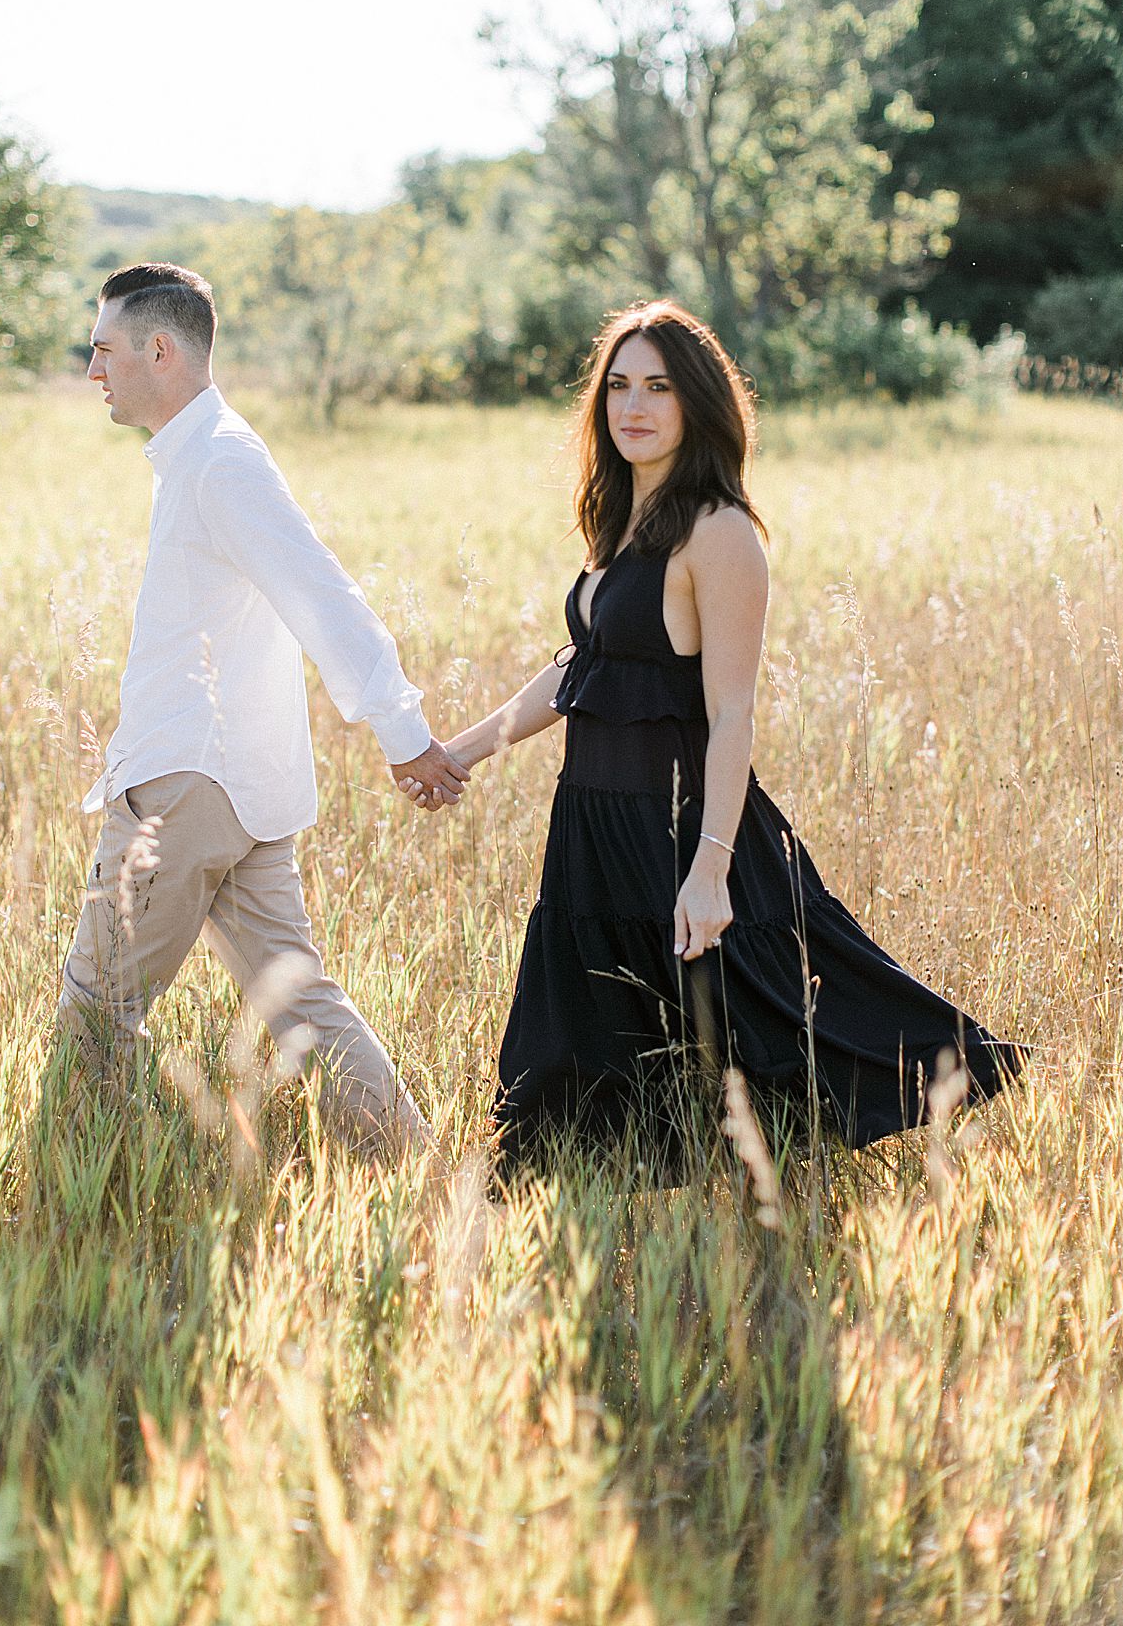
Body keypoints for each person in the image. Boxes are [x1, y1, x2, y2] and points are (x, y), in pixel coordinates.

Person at [403, 300, 1023, 1174]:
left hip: (677, 827)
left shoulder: (719, 532)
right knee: (589, 1034)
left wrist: (709, 867)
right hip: (592, 822)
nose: (634, 406)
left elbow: (734, 713)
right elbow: (584, 670)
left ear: (698, 402)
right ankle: (583, 1189)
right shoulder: (619, 521)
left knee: (758, 1030)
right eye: (618, 387)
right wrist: (458, 752)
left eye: (658, 386)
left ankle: (800, 1184)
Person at [58, 262, 469, 1150]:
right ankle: (422, 1170)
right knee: (303, 1005)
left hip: (184, 793)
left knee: (94, 1011)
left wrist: (401, 731)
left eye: (103, 350)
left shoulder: (219, 464)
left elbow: (325, 597)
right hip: (240, 791)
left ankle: (73, 1200)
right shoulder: (204, 454)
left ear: (158, 349)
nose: (93, 371)